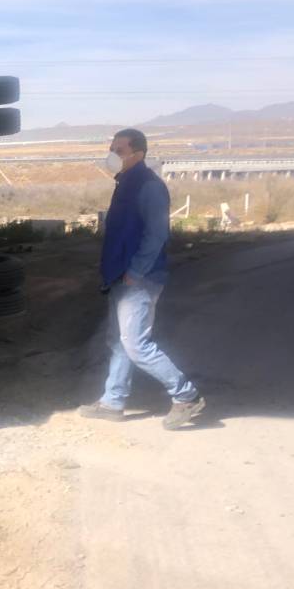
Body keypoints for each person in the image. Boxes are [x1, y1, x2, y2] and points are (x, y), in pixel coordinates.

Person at [78, 128, 206, 430]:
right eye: (112, 148)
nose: (112, 155)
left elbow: (157, 234)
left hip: (140, 278)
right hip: (121, 276)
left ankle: (185, 395)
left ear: (138, 154)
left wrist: (135, 272)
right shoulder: (126, 184)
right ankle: (113, 402)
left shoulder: (148, 186)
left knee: (135, 344)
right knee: (120, 343)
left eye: (119, 150)